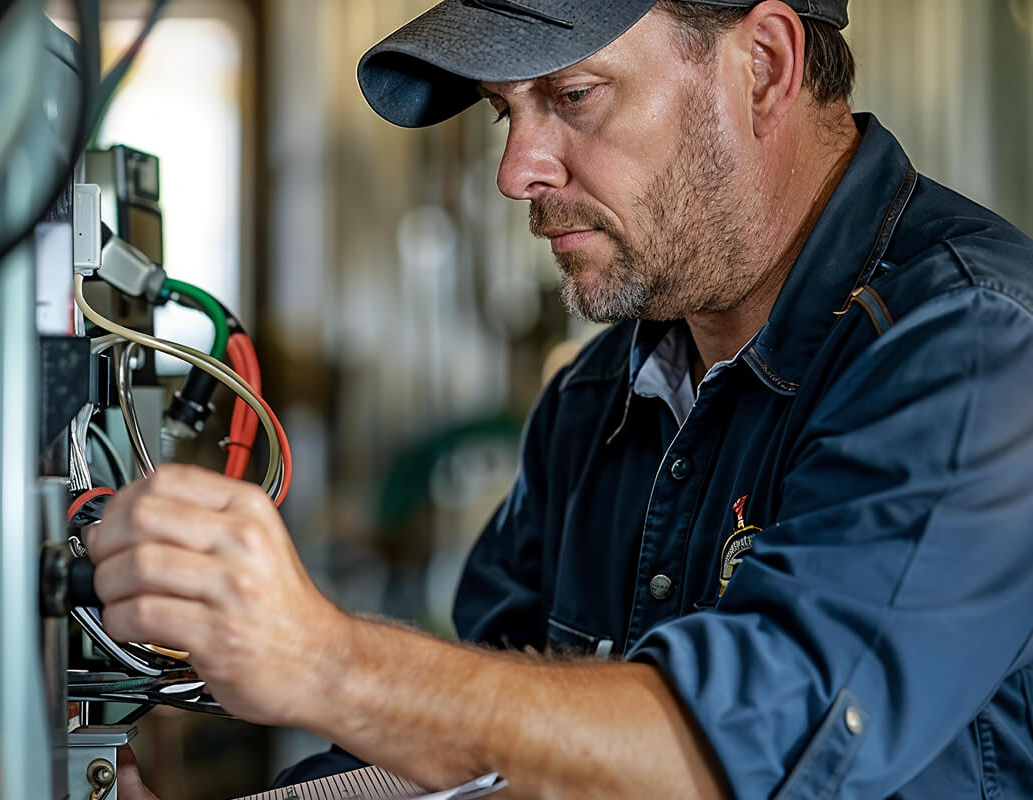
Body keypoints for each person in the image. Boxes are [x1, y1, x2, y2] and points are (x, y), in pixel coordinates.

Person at [98, 1, 1033, 797]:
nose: (517, 172)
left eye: (573, 95)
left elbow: (747, 748)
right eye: (506, 112)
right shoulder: (597, 397)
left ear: (764, 67)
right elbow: (471, 750)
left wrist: (330, 662)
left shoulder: (976, 344)